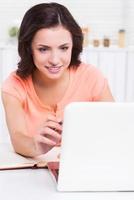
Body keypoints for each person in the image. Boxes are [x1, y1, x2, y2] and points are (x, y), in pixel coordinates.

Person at [1, 3, 114, 158]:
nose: (55, 60)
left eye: (64, 48)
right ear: (28, 49)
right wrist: (36, 145)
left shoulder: (91, 77)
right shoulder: (14, 85)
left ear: (73, 46)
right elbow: (18, 138)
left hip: (86, 165)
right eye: (43, 49)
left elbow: (115, 129)